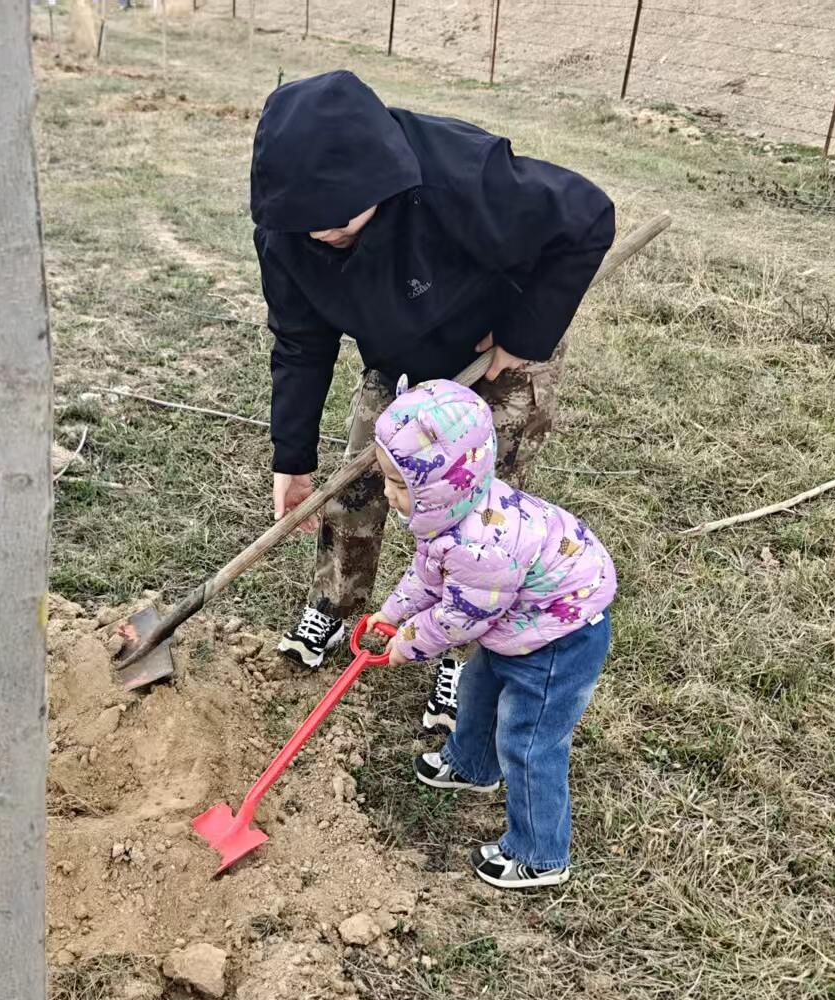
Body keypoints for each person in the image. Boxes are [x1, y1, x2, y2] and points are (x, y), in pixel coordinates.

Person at [250, 69, 613, 734]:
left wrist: (524, 333)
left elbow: (588, 216)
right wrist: (291, 458)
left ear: (373, 181)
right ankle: (335, 603)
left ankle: (463, 654)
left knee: (477, 520)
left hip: (496, 352)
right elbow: (301, 344)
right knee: (359, 481)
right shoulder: (288, 227)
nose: (322, 233)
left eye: (337, 219)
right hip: (401, 359)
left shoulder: (463, 175)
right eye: (307, 223)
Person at [373, 378, 615, 890]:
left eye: (399, 485)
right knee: (478, 689)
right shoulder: (450, 514)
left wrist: (409, 642)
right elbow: (428, 575)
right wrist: (394, 613)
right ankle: (473, 764)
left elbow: (462, 615)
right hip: (519, 620)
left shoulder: (479, 547)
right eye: (388, 480)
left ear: (442, 484)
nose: (389, 495)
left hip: (562, 636)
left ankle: (540, 853)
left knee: (530, 739)